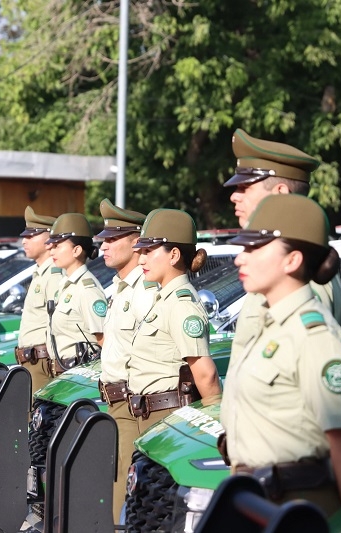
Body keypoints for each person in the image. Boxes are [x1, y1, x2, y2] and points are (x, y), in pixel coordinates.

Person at [219, 194, 341, 515]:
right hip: (255, 499)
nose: (239, 259)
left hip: (295, 505)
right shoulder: (268, 324)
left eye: (254, 248)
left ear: (292, 260)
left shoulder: (315, 336)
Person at [224, 128, 341, 330]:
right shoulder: (276, 264)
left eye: (245, 187)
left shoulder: (302, 274)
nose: (234, 197)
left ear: (280, 193)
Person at [127, 209, 221, 436]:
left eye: (149, 251)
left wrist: (215, 430)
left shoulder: (182, 305)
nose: (141, 259)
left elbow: (206, 375)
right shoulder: (164, 299)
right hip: (151, 415)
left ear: (174, 255)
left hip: (168, 417)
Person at [94, 198, 154, 522]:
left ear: (136, 241)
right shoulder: (119, 287)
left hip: (133, 406)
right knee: (115, 485)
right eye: (104, 239)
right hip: (115, 403)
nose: (104, 245)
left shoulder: (145, 290)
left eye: (113, 238)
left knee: (125, 494)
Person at [43, 213, 106, 383]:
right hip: (63, 375)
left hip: (79, 378)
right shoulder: (66, 284)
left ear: (77, 250)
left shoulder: (87, 289)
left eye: (57, 245)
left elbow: (104, 341)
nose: (51, 250)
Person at [13, 206, 63, 395]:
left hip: (41, 361)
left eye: (31, 235)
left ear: (49, 238)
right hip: (31, 361)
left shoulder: (54, 274)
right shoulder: (41, 272)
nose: (24, 241)